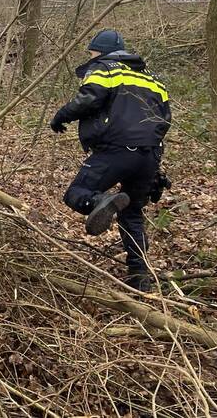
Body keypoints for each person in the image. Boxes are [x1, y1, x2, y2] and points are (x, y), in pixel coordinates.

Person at [50, 30, 171, 291]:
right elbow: (165, 119)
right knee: (132, 214)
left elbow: (90, 98)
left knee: (77, 193)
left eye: (91, 52)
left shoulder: (104, 68)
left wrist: (60, 116)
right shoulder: (153, 78)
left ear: (99, 51)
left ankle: (100, 201)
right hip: (149, 154)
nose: (90, 56)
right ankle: (140, 277)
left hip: (116, 149)